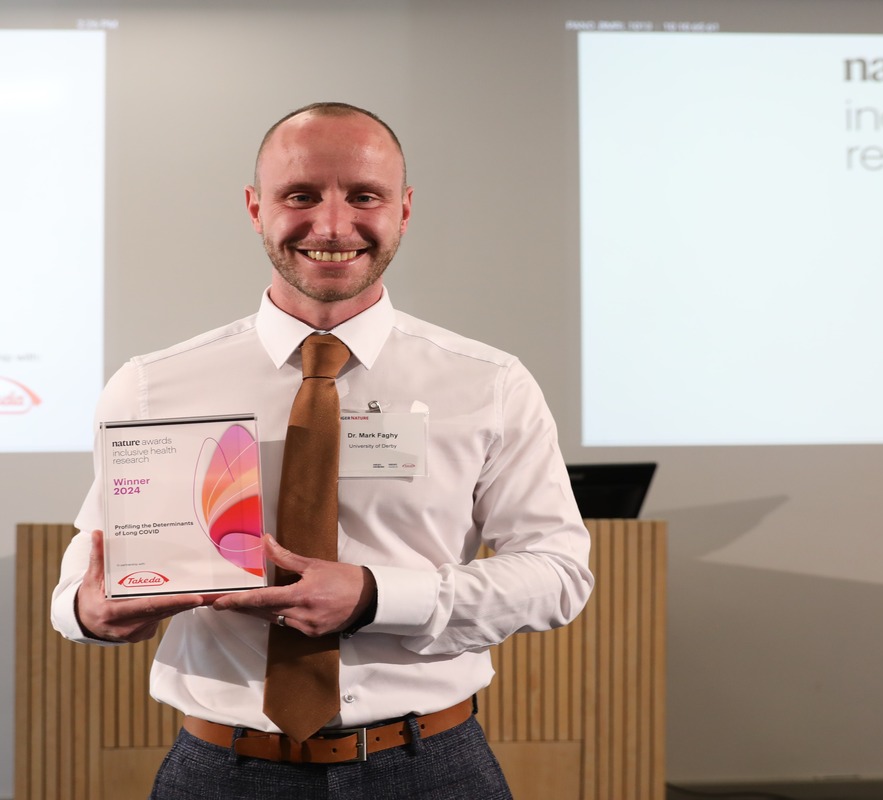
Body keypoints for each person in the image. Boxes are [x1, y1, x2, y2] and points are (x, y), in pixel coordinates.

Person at [51, 102, 594, 799]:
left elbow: (559, 574)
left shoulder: (489, 384)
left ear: (404, 210)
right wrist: (90, 614)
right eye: (300, 195)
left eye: (363, 196)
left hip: (432, 767)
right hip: (220, 772)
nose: (333, 225)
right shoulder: (153, 387)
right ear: (256, 208)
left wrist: (375, 596)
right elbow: (81, 587)